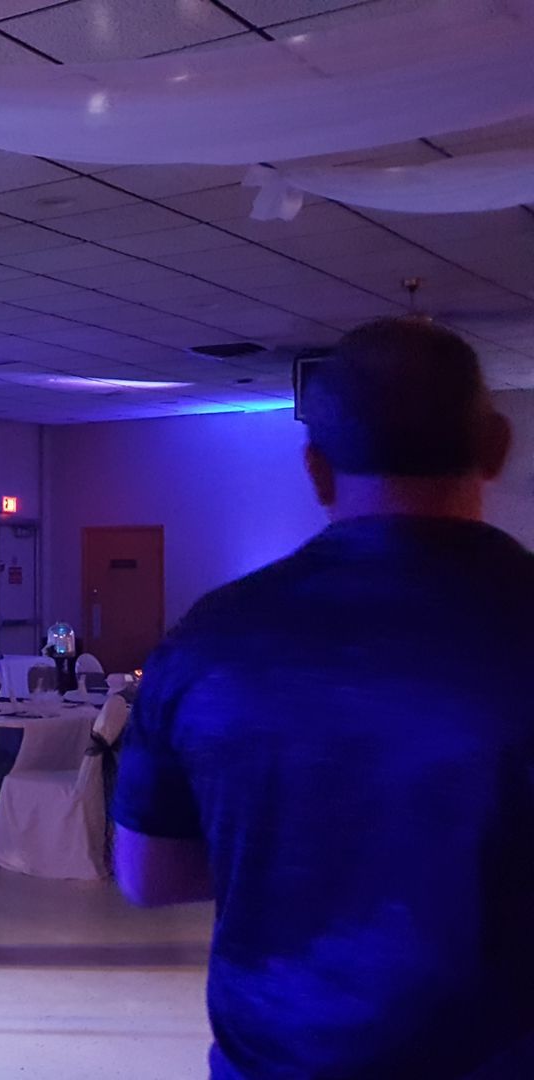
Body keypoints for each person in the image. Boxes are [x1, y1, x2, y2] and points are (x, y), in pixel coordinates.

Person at [113, 318, 534, 1078]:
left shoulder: (208, 641)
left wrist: (305, 852)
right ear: (498, 446)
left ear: (316, 469)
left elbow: (148, 875)